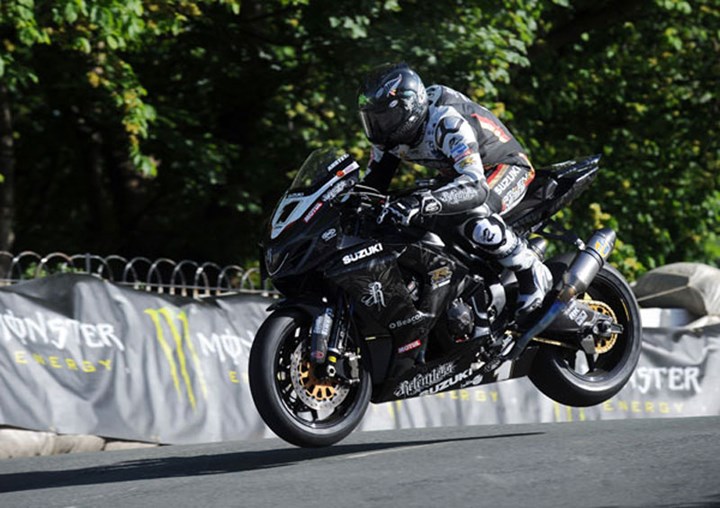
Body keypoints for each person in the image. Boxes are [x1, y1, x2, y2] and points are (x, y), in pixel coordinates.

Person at [358, 62, 552, 323]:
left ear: (409, 107)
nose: (379, 127)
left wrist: (425, 201)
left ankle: (531, 270)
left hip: (502, 168)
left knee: (472, 214)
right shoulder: (389, 140)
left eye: (384, 118)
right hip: (457, 174)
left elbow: (474, 186)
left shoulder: (445, 121)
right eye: (373, 119)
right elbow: (371, 187)